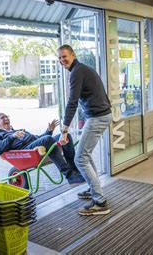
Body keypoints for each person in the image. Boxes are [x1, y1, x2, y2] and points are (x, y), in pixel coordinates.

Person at [58, 44, 112, 216]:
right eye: (59, 58)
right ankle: (93, 189)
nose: (62, 60)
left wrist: (64, 129)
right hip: (99, 115)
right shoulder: (81, 69)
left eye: (64, 56)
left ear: (73, 55)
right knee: (85, 155)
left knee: (80, 158)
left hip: (97, 117)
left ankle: (100, 201)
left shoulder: (77, 72)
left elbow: (72, 102)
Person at [0, 113, 85, 185]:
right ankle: (69, 176)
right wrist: (12, 136)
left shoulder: (19, 130)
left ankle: (74, 170)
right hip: (25, 151)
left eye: (7, 117)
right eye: (2, 117)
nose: (6, 118)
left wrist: (49, 130)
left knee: (65, 136)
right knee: (47, 139)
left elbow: (38, 138)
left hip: (33, 148)